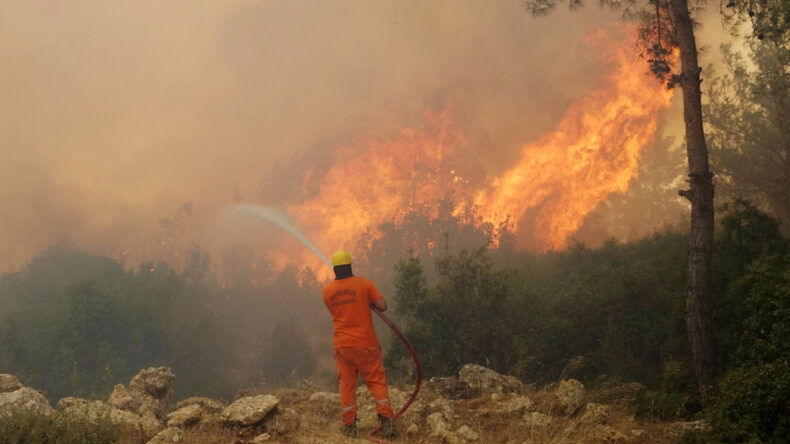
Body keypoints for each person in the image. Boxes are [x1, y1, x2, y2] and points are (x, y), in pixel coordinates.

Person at [322, 249, 396, 439]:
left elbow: (337, 312)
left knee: (346, 386)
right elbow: (383, 305)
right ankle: (387, 424)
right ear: (350, 266)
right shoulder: (364, 284)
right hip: (366, 345)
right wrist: (366, 301)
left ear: (335, 269)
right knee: (376, 381)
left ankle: (349, 428)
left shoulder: (327, 291)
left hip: (343, 347)